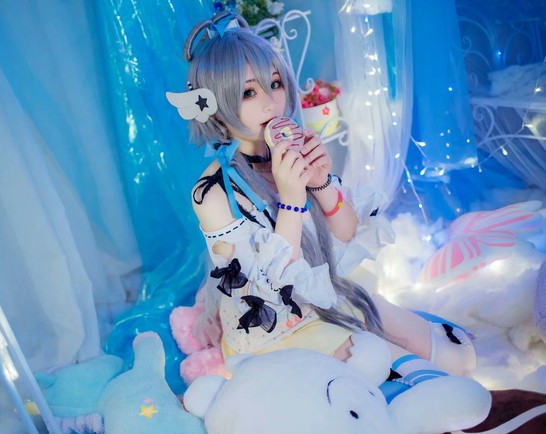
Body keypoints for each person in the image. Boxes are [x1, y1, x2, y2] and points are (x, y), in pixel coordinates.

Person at [167, 11, 475, 389]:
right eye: (248, 92)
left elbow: (346, 234)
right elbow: (272, 289)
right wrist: (291, 198)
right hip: (275, 328)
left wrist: (321, 182)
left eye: (274, 83)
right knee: (397, 372)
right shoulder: (213, 192)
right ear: (215, 107)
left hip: (331, 296)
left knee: (458, 357)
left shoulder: (290, 149)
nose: (270, 102)